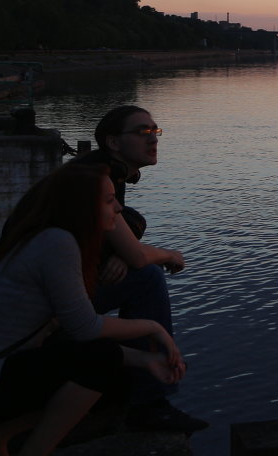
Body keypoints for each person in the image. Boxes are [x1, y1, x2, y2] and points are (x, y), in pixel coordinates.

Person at [0, 162, 185, 456]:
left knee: (116, 381)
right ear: (81, 207)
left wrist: (146, 360)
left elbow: (76, 330)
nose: (118, 210)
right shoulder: (56, 242)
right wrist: (154, 328)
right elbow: (85, 329)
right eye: (110, 201)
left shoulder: (51, 238)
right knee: (100, 363)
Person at [68, 106, 206, 434]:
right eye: (143, 132)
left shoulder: (105, 170)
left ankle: (124, 388)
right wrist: (170, 254)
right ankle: (149, 402)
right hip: (49, 302)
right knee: (148, 277)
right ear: (114, 142)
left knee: (140, 272)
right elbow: (139, 257)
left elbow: (125, 225)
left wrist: (123, 250)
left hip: (61, 286)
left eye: (156, 132)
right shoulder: (96, 177)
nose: (153, 140)